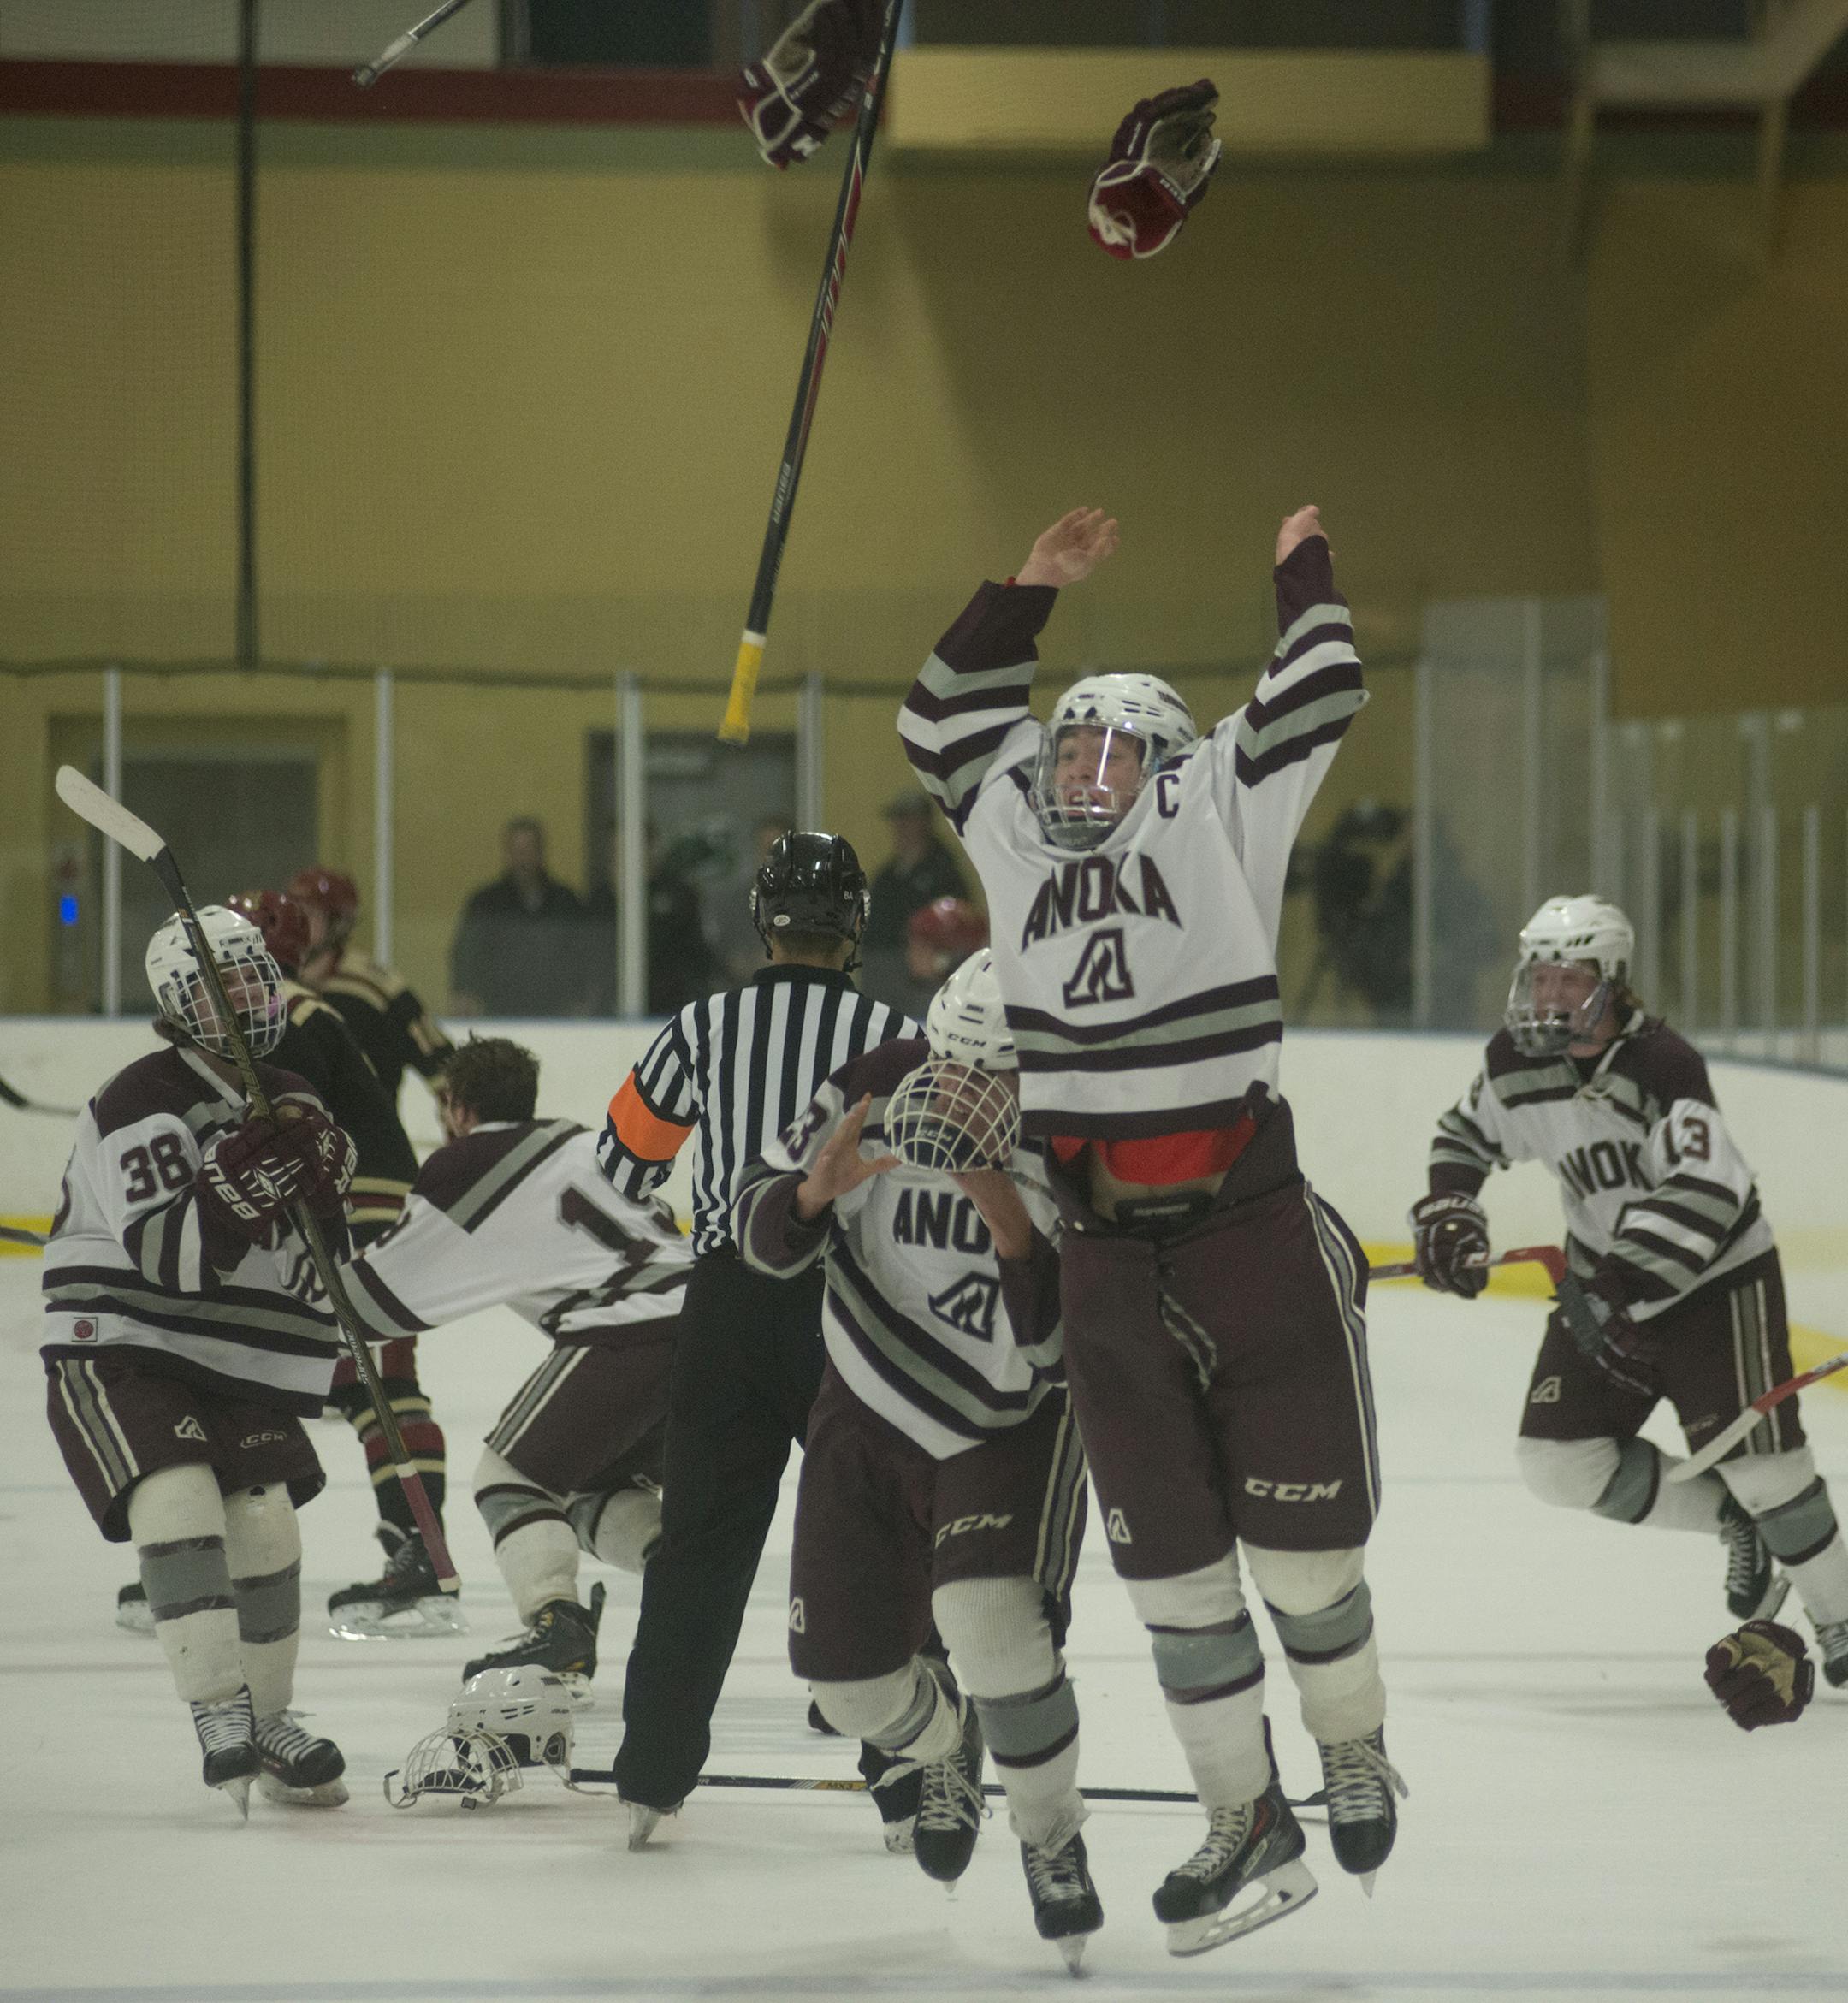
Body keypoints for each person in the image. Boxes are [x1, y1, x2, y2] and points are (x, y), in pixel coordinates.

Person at [899, 505, 1396, 1956]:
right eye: (1069, 747)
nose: (1083, 771)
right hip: (1104, 1252)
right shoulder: (1007, 822)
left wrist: (1299, 561)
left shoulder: (1220, 802)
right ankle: (1244, 1813)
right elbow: (938, 719)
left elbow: (1324, 685)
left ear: (1167, 765)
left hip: (1245, 1220)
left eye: (1115, 751)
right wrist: (1025, 593)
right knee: (1171, 1568)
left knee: (1305, 1564)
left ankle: (1349, 1742)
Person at [734, 950, 1099, 1968]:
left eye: (995, 1078)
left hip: (1008, 1415)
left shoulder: (1080, 1126)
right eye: (949, 1064)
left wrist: (1006, 1213)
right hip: (865, 1401)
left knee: (995, 1635)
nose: (961, 1091)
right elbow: (756, 1234)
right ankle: (946, 1745)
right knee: (848, 1688)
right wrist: (810, 1199)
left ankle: (1052, 1836)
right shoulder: (873, 1081)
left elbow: (1066, 1347)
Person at [1411, 892, 1848, 1688]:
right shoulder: (1515, 1061)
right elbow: (1465, 1134)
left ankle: (1839, 1615)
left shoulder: (1664, 1065)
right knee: (1557, 1461)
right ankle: (1733, 1521)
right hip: (1605, 1283)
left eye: (1567, 978)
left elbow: (1711, 1190)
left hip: (1716, 1282)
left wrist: (1619, 1285)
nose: (1547, 996)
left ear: (1611, 982)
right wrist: (1451, 1213)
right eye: (1539, 977)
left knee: (1766, 1471)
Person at [595, 832, 917, 1848]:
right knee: (874, 1544)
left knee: (701, 1545)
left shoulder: (705, 1023)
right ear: (855, 924)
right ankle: (908, 1781)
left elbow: (621, 1166)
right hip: (855, 1317)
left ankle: (650, 1776)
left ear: (763, 922)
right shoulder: (898, 1035)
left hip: (730, 1305)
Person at [41, 906, 355, 1812]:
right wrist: (231, 1186)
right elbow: (170, 1259)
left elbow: (316, 1258)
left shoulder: (294, 1088)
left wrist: (325, 1199)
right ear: (180, 1006)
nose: (250, 997)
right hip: (123, 1339)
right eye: (224, 986)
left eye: (257, 975)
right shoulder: (141, 1095)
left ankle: (270, 1715)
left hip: (230, 1353)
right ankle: (219, 1706)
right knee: (176, 1495)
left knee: (267, 1524)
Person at [338, 1036, 689, 1694]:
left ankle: (556, 1621)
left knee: (512, 1480)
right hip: (711, 1329)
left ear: (457, 1106)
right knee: (583, 1488)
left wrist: (319, 1239)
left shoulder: (466, 1163)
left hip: (626, 1331)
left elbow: (370, 1305)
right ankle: (688, 1579)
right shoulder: (586, 1142)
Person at [224, 890, 455, 1644]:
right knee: (314, 1372)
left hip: (361, 1195)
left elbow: (294, 1124)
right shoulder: (291, 1007)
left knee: (375, 1378)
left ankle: (419, 1554)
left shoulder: (285, 1012)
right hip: (360, 1189)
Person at [287, 864, 455, 1108]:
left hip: (371, 1138)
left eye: (310, 914)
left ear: (339, 923)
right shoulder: (271, 980)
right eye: (293, 913)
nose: (297, 923)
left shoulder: (374, 985)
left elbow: (442, 1067)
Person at [449, 818, 589, 1017]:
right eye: (516, 850)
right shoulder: (486, 903)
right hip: (498, 1013)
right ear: (506, 854)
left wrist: (582, 999)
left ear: (541, 853)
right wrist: (463, 992)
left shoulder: (565, 901)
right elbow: (466, 952)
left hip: (557, 1016)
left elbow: (583, 955)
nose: (523, 858)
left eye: (529, 850)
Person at [861, 791, 969, 1011]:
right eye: (898, 821)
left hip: (924, 979)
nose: (901, 827)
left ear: (924, 823)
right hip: (881, 975)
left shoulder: (945, 873)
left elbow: (959, 926)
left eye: (908, 820)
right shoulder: (887, 875)